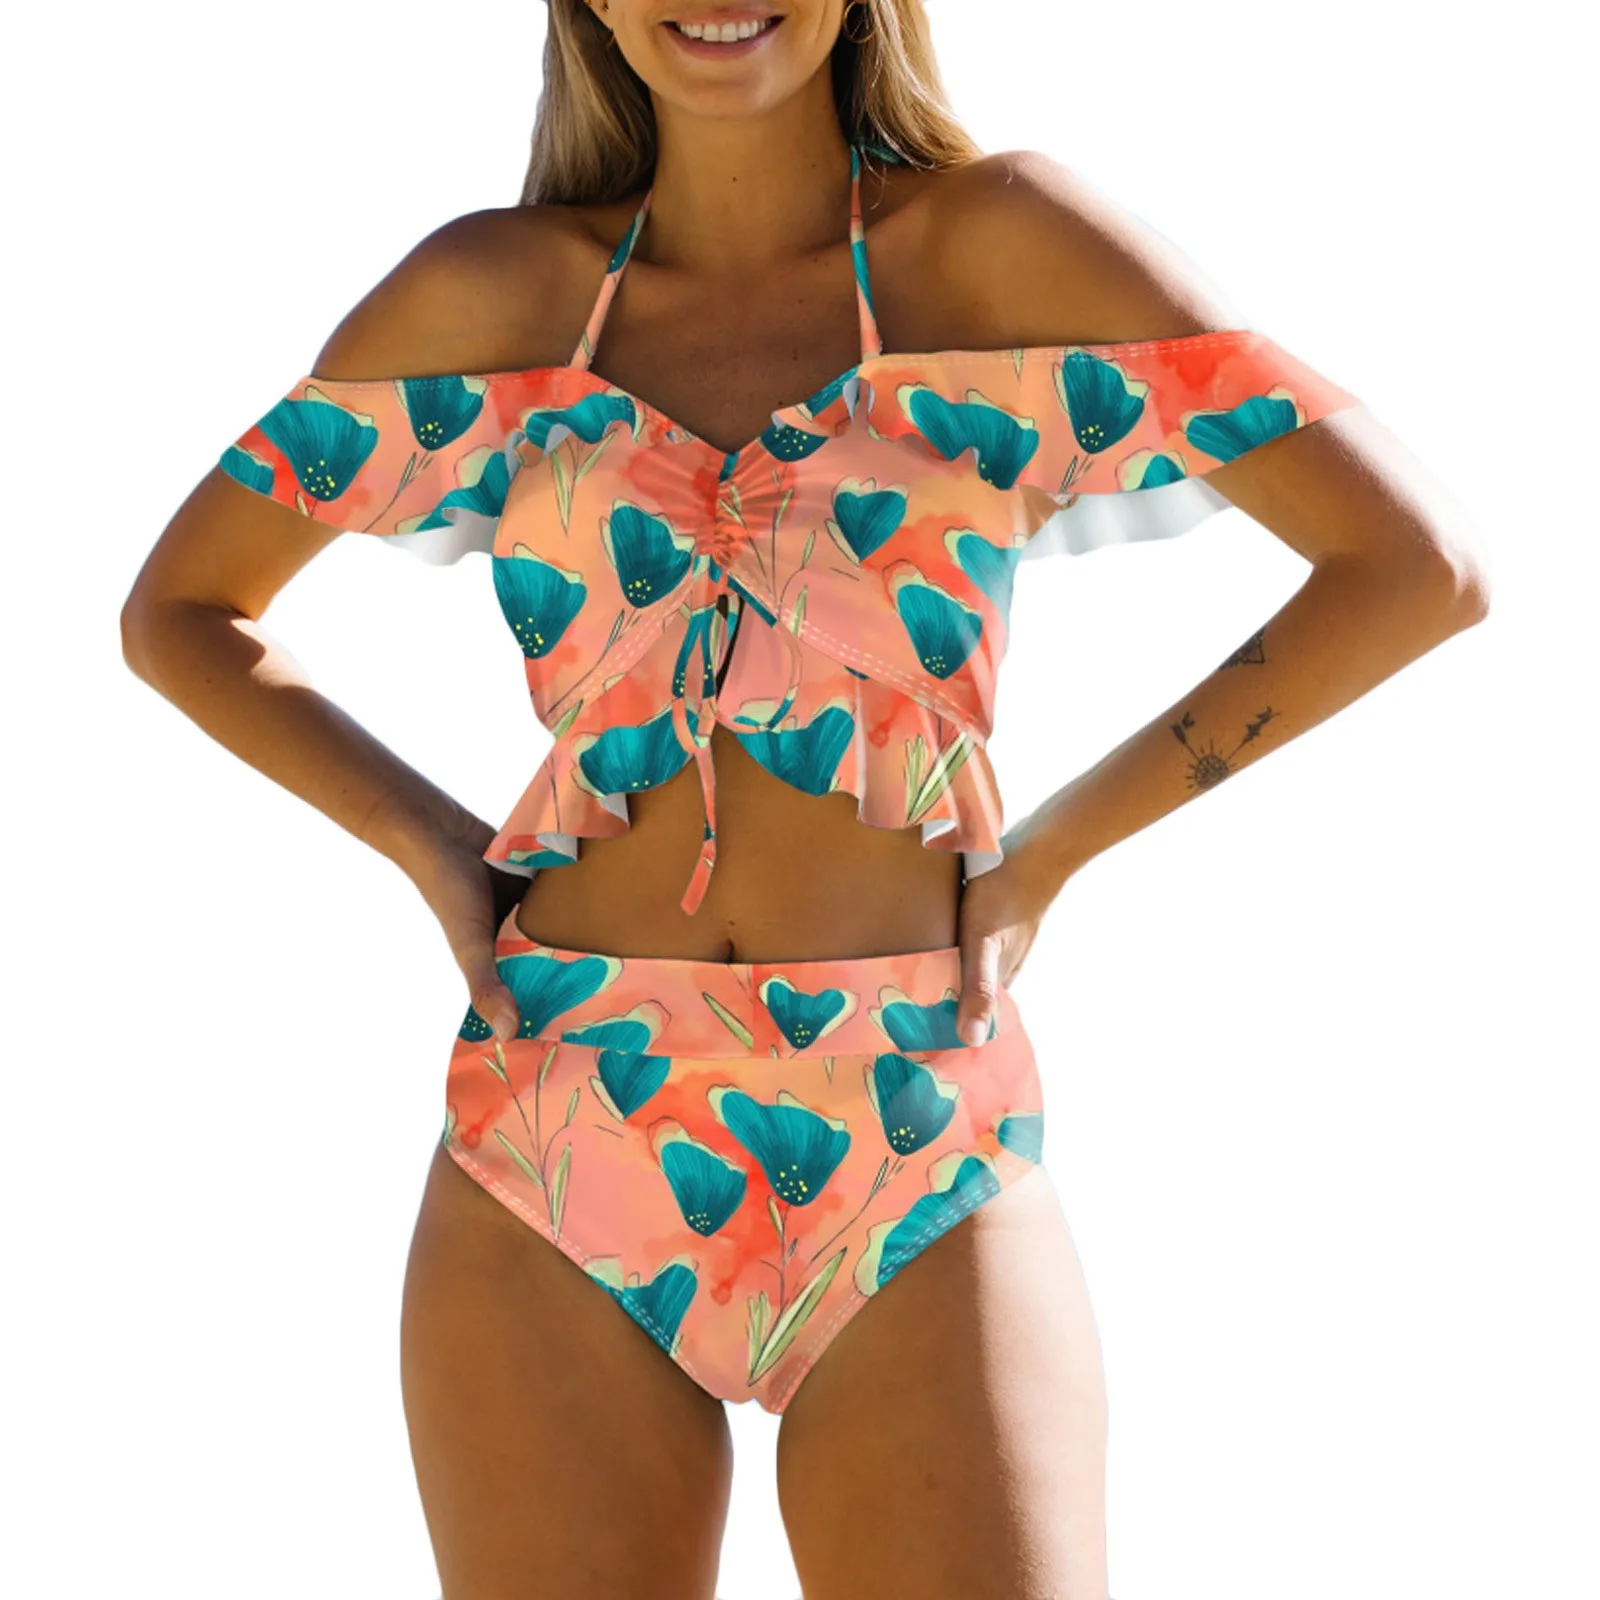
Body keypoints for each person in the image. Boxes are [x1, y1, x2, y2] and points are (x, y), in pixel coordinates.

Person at [119, 1, 1491, 1595]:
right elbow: (181, 613)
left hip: (912, 1122)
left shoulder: (998, 250)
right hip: (558, 1121)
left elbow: (1414, 566)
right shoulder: (495, 296)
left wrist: (1054, 849)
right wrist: (431, 846)